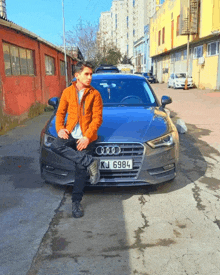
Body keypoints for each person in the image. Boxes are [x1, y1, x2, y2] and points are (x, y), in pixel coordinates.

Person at [51, 61, 103, 218]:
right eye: (86, 74)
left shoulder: (95, 94)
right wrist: (60, 128)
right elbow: (60, 113)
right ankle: (89, 161)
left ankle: (75, 203)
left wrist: (87, 137)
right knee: (55, 145)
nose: (89, 77)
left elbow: (97, 119)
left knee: (80, 171)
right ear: (77, 75)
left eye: (91, 74)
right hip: (70, 134)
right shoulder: (67, 92)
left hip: (86, 137)